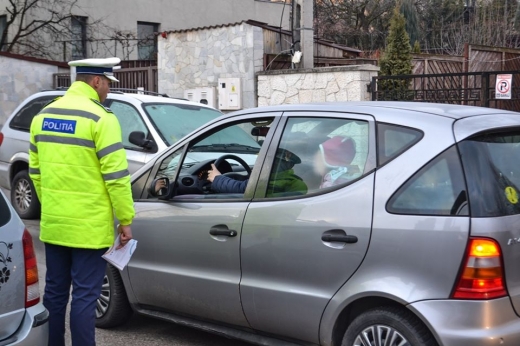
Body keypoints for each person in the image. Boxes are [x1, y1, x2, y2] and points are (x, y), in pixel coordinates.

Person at [29, 57, 135, 346]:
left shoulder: (43, 117)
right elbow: (116, 177)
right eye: (107, 86)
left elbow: (35, 173)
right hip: (89, 229)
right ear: (96, 81)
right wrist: (125, 220)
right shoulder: (102, 118)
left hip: (55, 226)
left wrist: (53, 206)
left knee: (54, 293)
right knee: (86, 297)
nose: (108, 92)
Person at [207, 147, 308, 196]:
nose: (261, 163)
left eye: (265, 160)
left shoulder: (276, 181)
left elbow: (244, 189)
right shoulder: (296, 182)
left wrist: (216, 178)